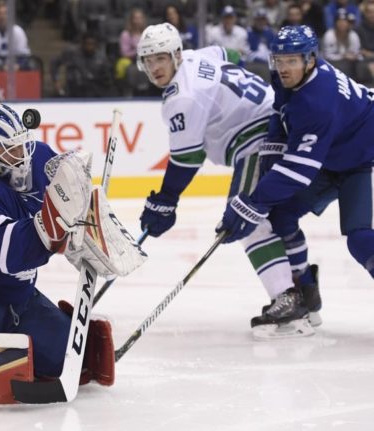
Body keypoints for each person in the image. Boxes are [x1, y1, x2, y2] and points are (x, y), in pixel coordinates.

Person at [0, 102, 144, 386]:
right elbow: (4, 252)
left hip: (13, 296)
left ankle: (7, 339)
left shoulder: (40, 159)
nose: (23, 155)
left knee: (67, 357)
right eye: (11, 149)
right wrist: (52, 226)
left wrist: (89, 230)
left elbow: (72, 206)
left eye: (23, 144)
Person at [136, 23, 317, 339]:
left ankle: (288, 301)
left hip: (261, 136)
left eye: (160, 58)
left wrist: (165, 200)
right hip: (279, 119)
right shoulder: (198, 55)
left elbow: (188, 159)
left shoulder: (184, 96)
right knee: (273, 218)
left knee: (247, 217)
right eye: (148, 61)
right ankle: (306, 298)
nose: (154, 67)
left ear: (176, 54)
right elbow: (231, 54)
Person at [216, 25, 374, 328]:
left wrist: (252, 202)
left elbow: (299, 171)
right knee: (281, 215)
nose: (283, 68)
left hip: (358, 159)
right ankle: (305, 295)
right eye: (279, 60)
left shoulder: (318, 102)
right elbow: (279, 111)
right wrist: (269, 164)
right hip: (332, 156)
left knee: (360, 239)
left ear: (310, 59)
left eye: (291, 61)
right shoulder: (289, 76)